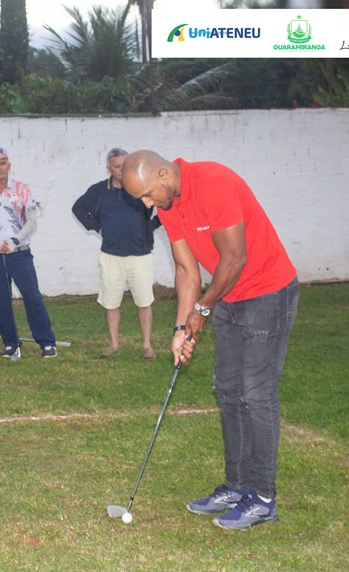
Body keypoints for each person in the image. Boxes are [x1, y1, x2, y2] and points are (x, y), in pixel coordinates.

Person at [122, 150, 299, 531]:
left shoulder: (213, 184)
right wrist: (180, 329)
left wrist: (201, 310)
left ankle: (263, 497)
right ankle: (237, 486)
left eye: (148, 195)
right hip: (229, 296)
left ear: (164, 175)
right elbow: (187, 270)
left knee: (256, 395)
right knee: (228, 390)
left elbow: (234, 259)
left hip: (268, 293)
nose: (148, 204)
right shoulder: (169, 206)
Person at [72, 147, 160, 361]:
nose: (122, 170)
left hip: (140, 256)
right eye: (118, 166)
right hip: (110, 257)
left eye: (126, 165)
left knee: (144, 303)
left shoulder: (141, 187)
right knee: (111, 303)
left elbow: (165, 205)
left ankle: (147, 346)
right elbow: (78, 208)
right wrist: (98, 227)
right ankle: (113, 345)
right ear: (109, 168)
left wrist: (150, 227)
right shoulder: (99, 191)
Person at [0, 147, 56, 360]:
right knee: (1, 300)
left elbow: (32, 221)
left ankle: (47, 342)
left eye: (2, 163)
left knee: (32, 296)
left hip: (20, 253)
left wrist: (15, 240)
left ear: (8, 166)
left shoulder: (22, 189)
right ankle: (10, 343)